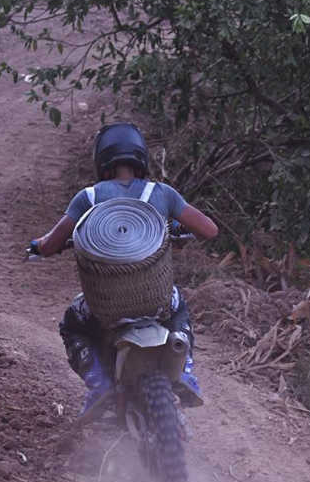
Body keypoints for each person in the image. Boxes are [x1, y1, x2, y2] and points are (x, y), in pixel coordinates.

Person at [29, 122, 218, 414]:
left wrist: (38, 246)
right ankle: (186, 372)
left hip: (104, 309)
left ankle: (99, 383)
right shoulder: (163, 193)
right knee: (179, 308)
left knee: (72, 323)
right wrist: (170, 229)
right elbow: (209, 230)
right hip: (157, 302)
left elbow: (52, 243)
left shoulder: (88, 198)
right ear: (141, 157)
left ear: (101, 160)